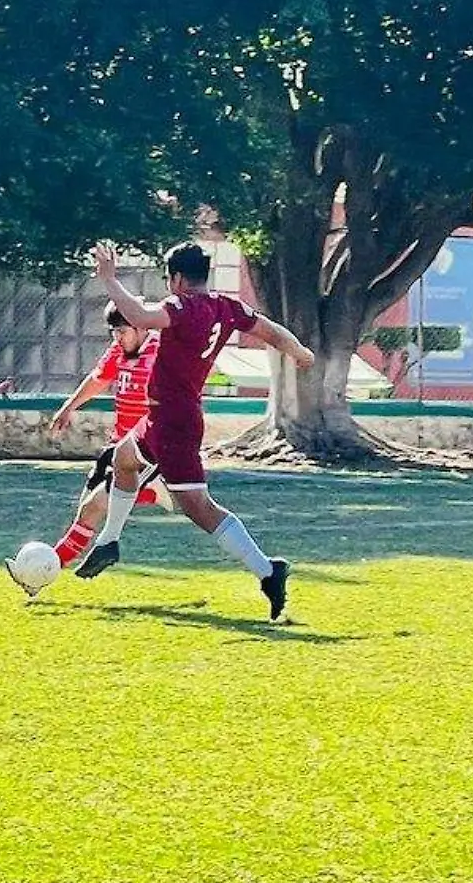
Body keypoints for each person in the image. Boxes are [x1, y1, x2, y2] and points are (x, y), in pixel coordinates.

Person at [74, 244, 317, 623]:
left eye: (168, 279)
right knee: (123, 459)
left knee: (199, 508)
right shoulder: (226, 306)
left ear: (177, 279)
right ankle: (109, 541)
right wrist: (299, 352)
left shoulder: (182, 308)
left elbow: (138, 314)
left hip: (175, 422)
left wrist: (108, 278)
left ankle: (269, 571)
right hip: (162, 419)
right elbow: (270, 330)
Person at [7, 305, 163, 594]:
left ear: (141, 327)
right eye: (114, 331)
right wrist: (69, 407)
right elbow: (98, 379)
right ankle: (40, 576)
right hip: (117, 447)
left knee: (94, 506)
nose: (118, 337)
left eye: (123, 331)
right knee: (86, 511)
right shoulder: (120, 351)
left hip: (146, 449)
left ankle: (41, 574)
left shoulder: (160, 353)